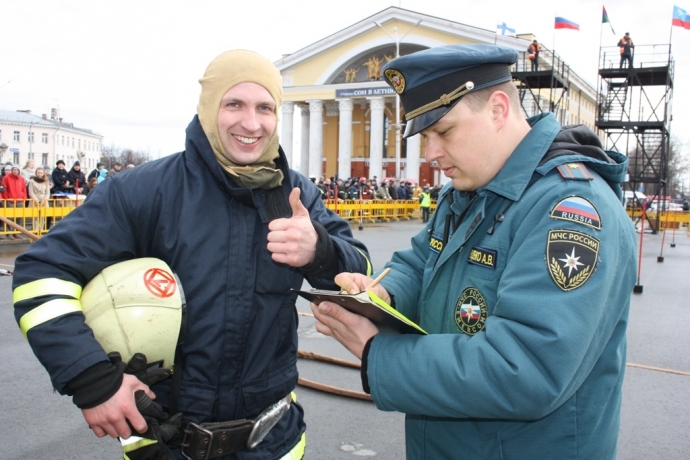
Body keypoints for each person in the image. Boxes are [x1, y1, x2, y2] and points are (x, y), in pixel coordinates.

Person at [13, 49, 372, 460]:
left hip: (276, 443)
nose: (251, 123)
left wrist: (320, 252)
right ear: (207, 108)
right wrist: (92, 378)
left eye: (265, 108)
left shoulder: (297, 195)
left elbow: (361, 271)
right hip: (168, 444)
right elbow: (41, 274)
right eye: (233, 104)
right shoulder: (143, 192)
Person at [310, 44, 637, 459]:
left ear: (498, 109)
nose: (430, 154)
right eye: (425, 136)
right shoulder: (466, 192)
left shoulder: (569, 208)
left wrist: (379, 354)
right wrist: (380, 294)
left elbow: (526, 369)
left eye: (443, 131)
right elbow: (418, 263)